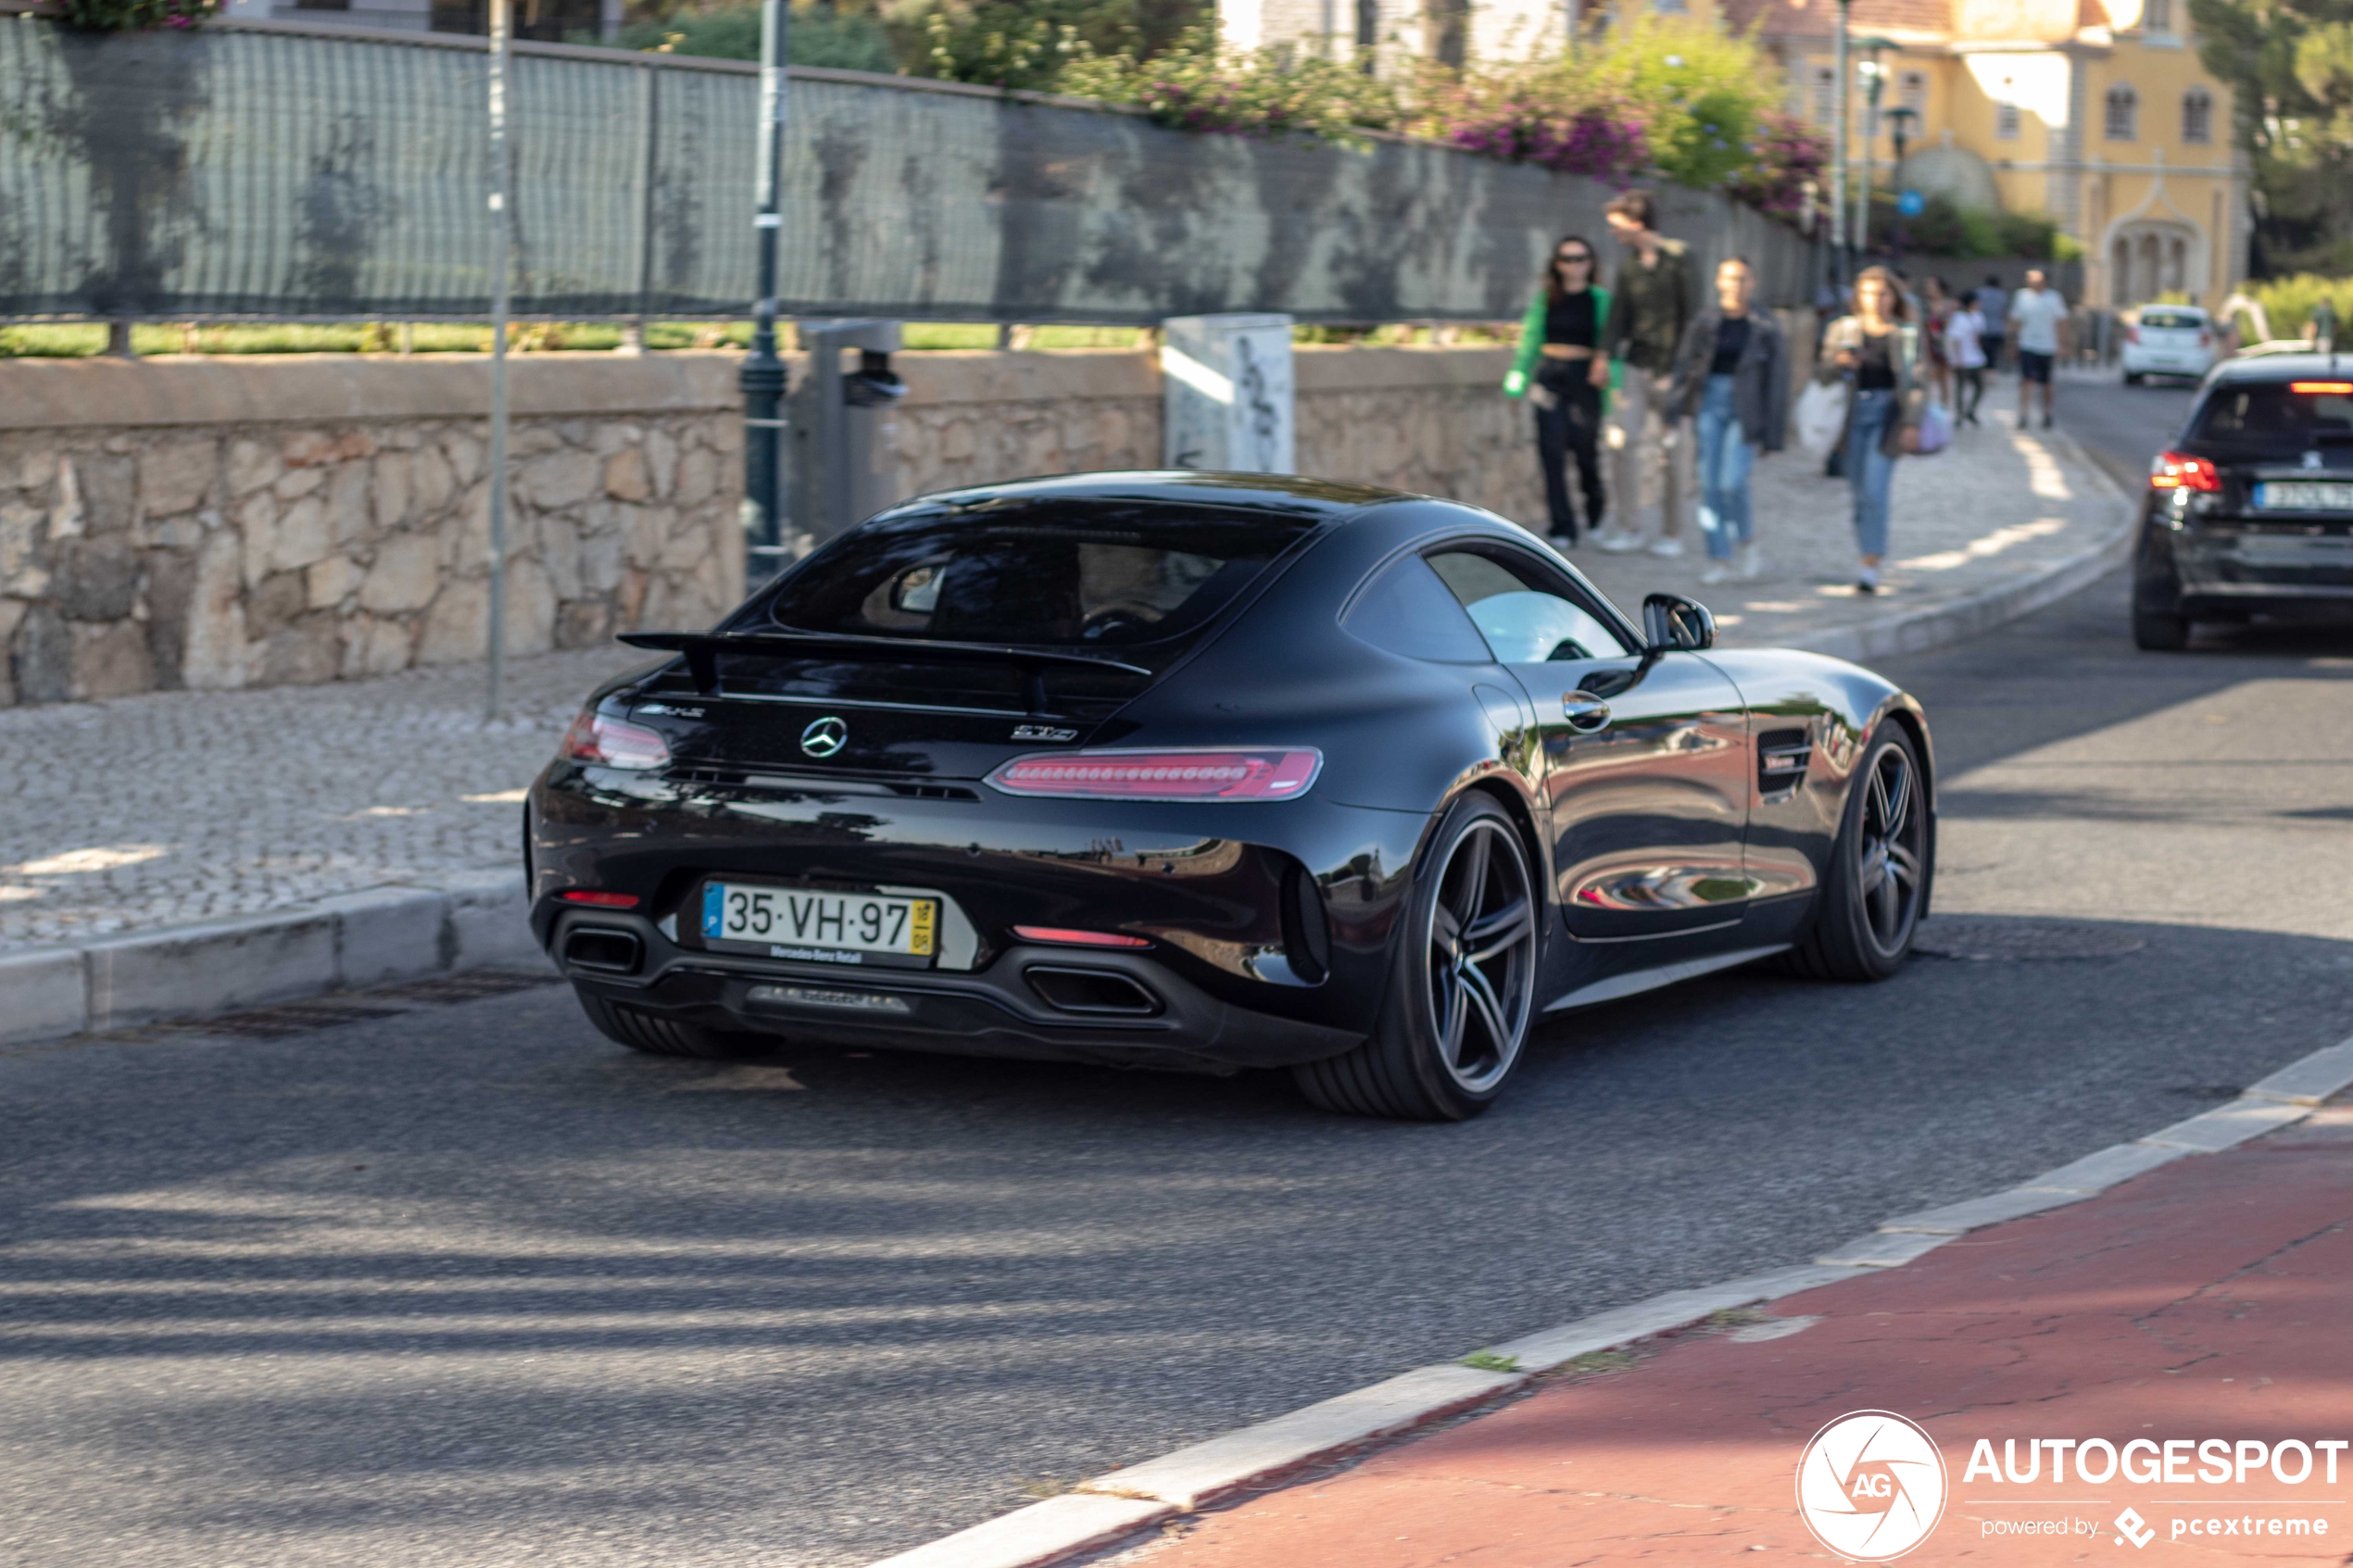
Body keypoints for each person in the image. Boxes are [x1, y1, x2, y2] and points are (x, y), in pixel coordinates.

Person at [1667, 256, 1786, 585]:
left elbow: (1778, 379)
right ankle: (1719, 556)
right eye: (1729, 278)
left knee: (1732, 482)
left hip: (1746, 407)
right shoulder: (1705, 320)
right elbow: (1684, 365)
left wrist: (1773, 432)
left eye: (1742, 278)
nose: (1736, 285)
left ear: (1753, 282)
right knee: (1708, 484)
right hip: (1710, 403)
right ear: (1719, 281)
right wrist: (1672, 412)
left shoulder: (1765, 324)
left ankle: (1746, 541)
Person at [1592, 188, 1698, 558]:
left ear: (1638, 223)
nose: (1614, 233)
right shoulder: (1629, 267)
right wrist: (1603, 356)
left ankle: (1672, 533)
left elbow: (1693, 319)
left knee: (1671, 452)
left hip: (1672, 372)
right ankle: (1628, 526)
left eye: (1618, 225)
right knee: (1623, 443)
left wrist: (1683, 376)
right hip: (1636, 366)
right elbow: (1619, 314)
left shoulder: (1680, 259)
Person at [1818, 265, 1925, 595]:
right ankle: (1866, 551)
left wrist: (1911, 422)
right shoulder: (1843, 329)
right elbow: (1821, 375)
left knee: (1876, 491)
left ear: (1894, 297)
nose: (1874, 300)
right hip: (1851, 418)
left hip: (1888, 418)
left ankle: (1870, 563)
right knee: (1859, 492)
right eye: (1867, 293)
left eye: (1882, 293)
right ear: (1857, 297)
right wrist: (1838, 363)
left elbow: (1918, 382)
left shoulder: (1906, 334)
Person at [1504, 235, 1615, 547]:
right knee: (1551, 451)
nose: (1574, 265)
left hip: (1585, 380)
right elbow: (1530, 341)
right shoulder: (1546, 298)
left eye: (1581, 258)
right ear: (1557, 263)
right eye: (1567, 258)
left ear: (1590, 263)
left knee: (1585, 453)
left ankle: (1595, 512)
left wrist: (1613, 385)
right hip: (1550, 377)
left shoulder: (1600, 299)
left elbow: (1610, 346)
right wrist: (1518, 376)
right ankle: (1561, 526)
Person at [2010, 269, 2070, 429]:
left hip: (2047, 345)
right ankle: (2024, 413)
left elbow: (2061, 322)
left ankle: (2047, 412)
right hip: (2027, 343)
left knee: (2047, 383)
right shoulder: (2022, 296)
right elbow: (2016, 320)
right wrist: (2014, 342)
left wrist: (2063, 344)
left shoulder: (2054, 298)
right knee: (2026, 380)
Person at [1944, 292, 1988, 426]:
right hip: (1962, 359)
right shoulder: (1959, 318)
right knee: (1960, 388)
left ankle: (1970, 410)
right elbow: (1953, 339)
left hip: (1976, 358)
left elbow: (1980, 335)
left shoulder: (1978, 317)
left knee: (1980, 386)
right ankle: (1959, 415)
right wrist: (1955, 359)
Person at [1920, 276, 1954, 409]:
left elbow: (1951, 325)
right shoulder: (1923, 305)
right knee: (1928, 378)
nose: (1928, 289)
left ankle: (1944, 410)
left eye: (1931, 286)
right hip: (1928, 345)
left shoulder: (1948, 305)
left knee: (1944, 379)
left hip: (1943, 345)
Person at [1975, 274, 2009, 371]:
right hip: (1998, 329)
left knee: (1981, 353)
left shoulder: (1980, 293)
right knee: (1993, 354)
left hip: (1982, 328)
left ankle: (1982, 373)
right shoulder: (2002, 295)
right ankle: (1991, 373)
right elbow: (2004, 313)